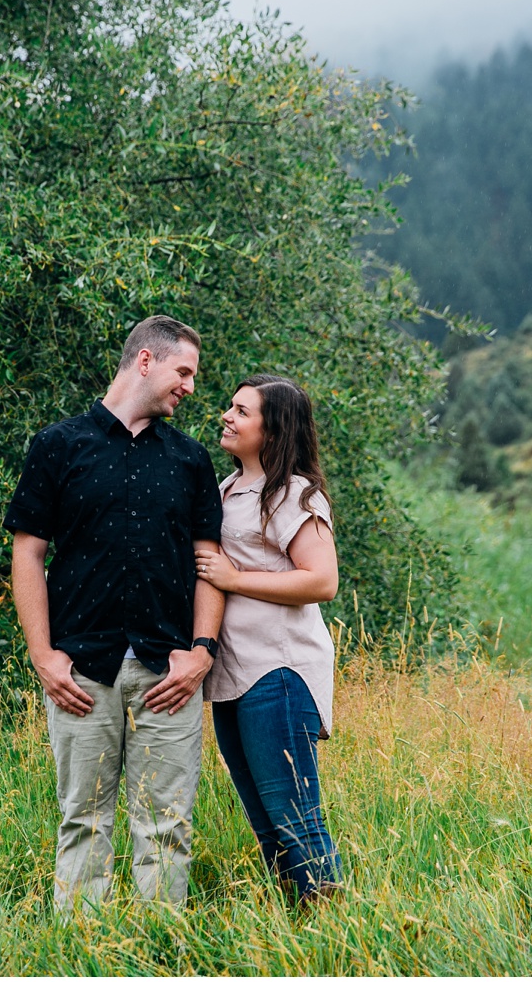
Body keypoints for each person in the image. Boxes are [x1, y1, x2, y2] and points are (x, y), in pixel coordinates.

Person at [5, 315, 225, 909]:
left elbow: (211, 564)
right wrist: (43, 655)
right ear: (146, 361)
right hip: (80, 669)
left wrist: (202, 653)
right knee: (84, 819)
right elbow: (27, 553)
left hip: (169, 673)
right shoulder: (58, 445)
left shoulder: (190, 460)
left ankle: (159, 951)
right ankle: (81, 955)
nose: (191, 387)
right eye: (185, 372)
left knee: (167, 828)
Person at [194, 373, 343, 908]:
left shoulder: (292, 494)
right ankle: (296, 932)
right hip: (233, 676)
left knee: (295, 816)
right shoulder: (229, 490)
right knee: (265, 820)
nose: (226, 417)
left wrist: (233, 579)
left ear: (274, 431)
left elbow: (320, 580)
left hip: (278, 674)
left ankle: (336, 934)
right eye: (229, 407)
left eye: (242, 411)